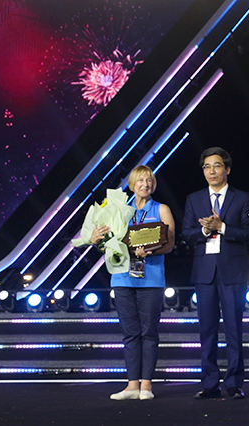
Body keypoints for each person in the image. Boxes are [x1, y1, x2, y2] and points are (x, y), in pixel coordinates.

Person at [91, 165, 175, 401]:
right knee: (129, 334)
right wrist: (95, 240)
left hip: (152, 279)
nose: (145, 184)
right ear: (131, 184)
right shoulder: (119, 210)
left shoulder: (162, 209)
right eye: (140, 181)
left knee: (149, 333)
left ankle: (146, 385)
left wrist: (150, 249)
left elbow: (170, 243)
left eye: (149, 181)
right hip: (122, 277)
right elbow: (106, 243)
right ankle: (131, 385)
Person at [182, 147, 249, 400]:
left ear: (227, 169)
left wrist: (222, 227)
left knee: (234, 329)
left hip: (233, 271)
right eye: (206, 167)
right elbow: (186, 233)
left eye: (216, 166)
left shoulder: (243, 198)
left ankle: (234, 383)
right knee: (207, 330)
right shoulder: (194, 199)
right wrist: (205, 231)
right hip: (204, 272)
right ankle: (210, 383)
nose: (211, 171)